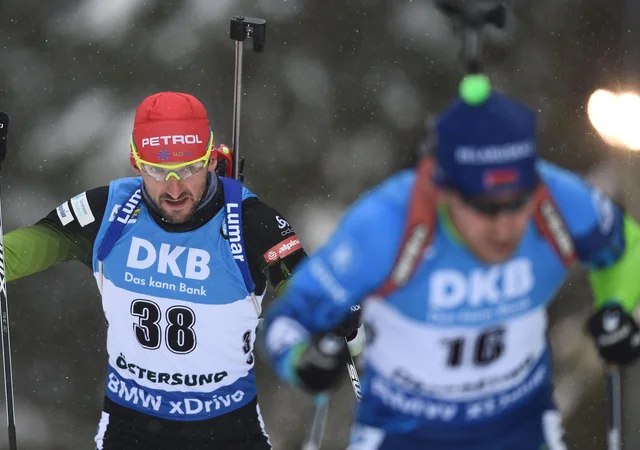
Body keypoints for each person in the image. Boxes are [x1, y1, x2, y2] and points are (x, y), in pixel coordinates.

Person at [0, 91, 360, 449]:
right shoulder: (106, 213)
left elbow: (304, 293)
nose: (174, 188)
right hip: (132, 429)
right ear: (135, 163)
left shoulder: (247, 221)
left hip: (227, 430)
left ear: (213, 161)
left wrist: (334, 310)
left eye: (188, 169)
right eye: (156, 171)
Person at [261, 77, 640, 450]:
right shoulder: (387, 224)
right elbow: (287, 319)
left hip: (518, 430)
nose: (505, 226)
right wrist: (302, 362)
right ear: (444, 189)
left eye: (519, 201)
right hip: (406, 433)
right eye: (485, 208)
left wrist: (616, 309)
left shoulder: (559, 200)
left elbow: (627, 248)